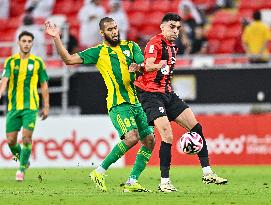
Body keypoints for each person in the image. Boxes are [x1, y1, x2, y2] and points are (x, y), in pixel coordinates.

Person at [45, 17, 155, 192]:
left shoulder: (131, 46)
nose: (114, 32)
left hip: (137, 103)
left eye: (115, 28)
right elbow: (68, 59)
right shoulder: (98, 52)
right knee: (132, 138)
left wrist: (139, 67)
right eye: (110, 29)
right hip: (119, 104)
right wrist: (56, 37)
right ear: (102, 33)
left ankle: (132, 182)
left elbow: (145, 65)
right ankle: (99, 171)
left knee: (149, 141)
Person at [133, 13, 228, 192]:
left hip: (168, 94)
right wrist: (158, 64)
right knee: (167, 135)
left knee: (196, 128)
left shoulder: (172, 46)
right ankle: (164, 183)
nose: (175, 31)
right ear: (162, 27)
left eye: (178, 28)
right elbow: (150, 64)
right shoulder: (155, 43)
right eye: (172, 27)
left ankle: (207, 173)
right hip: (150, 95)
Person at [0, 31, 49, 181]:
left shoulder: (38, 62)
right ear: (18, 43)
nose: (26, 43)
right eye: (24, 41)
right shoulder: (10, 61)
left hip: (30, 107)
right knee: (10, 141)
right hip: (14, 107)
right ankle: (24, 160)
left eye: (29, 41)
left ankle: (21, 170)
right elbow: (5, 79)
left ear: (32, 43)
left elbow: (44, 85)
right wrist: (1, 91)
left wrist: (46, 106)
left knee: (26, 139)